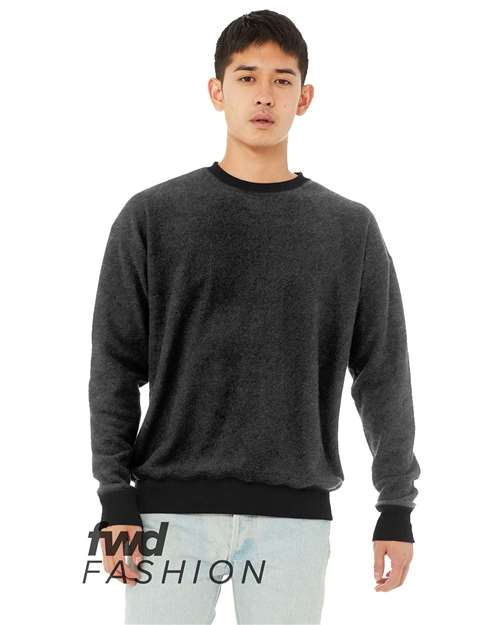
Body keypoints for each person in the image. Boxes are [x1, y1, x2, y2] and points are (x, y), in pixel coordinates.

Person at [88, 9, 421, 625]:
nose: (264, 95)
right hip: (167, 517)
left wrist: (396, 506)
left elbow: (382, 375)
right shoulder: (153, 217)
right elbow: (114, 366)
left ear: (304, 97)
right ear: (217, 91)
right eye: (246, 77)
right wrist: (114, 498)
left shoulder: (349, 230)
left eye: (281, 79)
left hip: (294, 524)